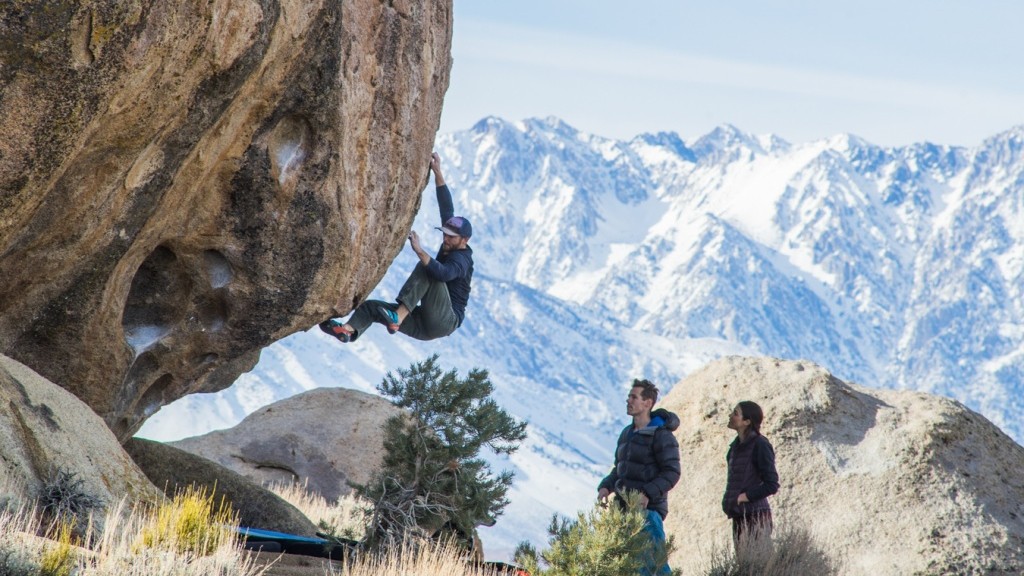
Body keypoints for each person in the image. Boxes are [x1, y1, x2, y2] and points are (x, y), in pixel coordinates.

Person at [319, 152, 474, 343]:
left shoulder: (463, 259)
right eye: (445, 233)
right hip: (424, 325)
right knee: (372, 308)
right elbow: (446, 208)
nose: (446, 239)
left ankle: (398, 317)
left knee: (427, 268)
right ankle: (348, 331)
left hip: (446, 320)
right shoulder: (450, 242)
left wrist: (419, 250)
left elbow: (444, 274)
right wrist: (437, 172)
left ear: (464, 240)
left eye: (451, 237)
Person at [598, 379, 680, 576]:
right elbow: (620, 469)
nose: (628, 401)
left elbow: (672, 472)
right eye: (628, 396)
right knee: (624, 566)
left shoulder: (662, 436)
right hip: (622, 511)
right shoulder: (627, 433)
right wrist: (605, 487)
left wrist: (647, 494)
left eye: (634, 397)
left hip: (647, 512)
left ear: (647, 403)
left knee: (654, 567)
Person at [722, 400, 780, 550]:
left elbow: (772, 484)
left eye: (735, 413)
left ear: (747, 421)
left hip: (756, 517)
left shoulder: (760, 444)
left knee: (757, 567)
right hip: (739, 516)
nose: (730, 415)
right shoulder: (734, 447)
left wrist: (742, 497)